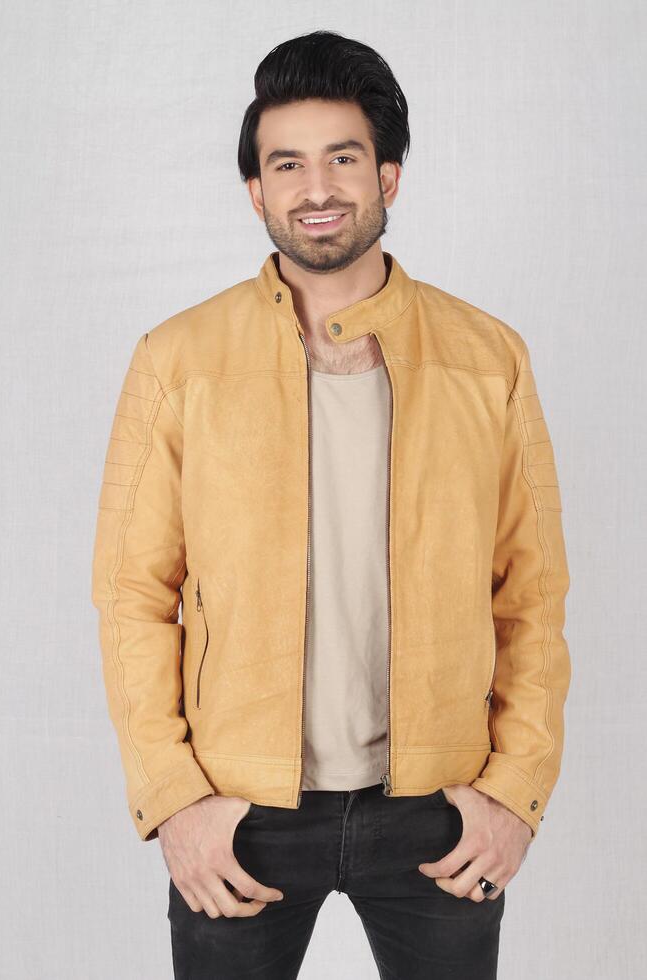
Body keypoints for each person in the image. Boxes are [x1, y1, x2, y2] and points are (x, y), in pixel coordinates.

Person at [91, 30, 572, 980]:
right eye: (288, 164)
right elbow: (131, 597)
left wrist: (513, 794)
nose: (318, 188)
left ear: (389, 176)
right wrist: (175, 800)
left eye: (344, 158)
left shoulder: (489, 359)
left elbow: (533, 597)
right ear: (256, 191)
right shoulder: (177, 361)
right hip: (240, 818)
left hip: (440, 813)